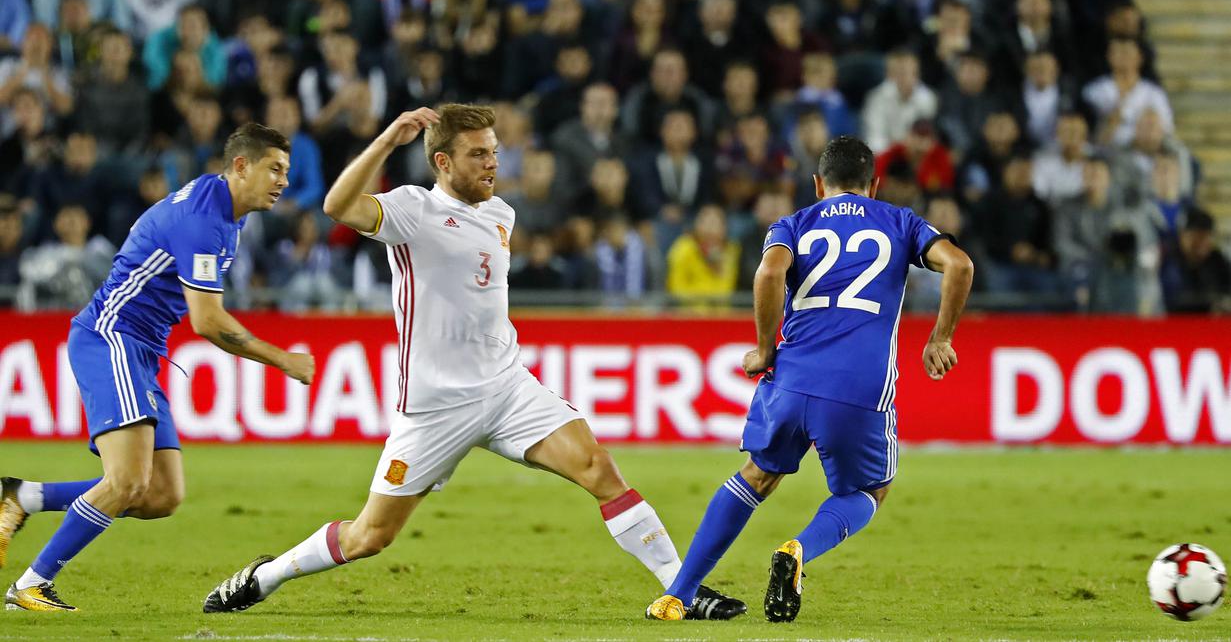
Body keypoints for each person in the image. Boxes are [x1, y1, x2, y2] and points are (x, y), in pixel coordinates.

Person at [201, 105, 744, 620]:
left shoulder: (502, 213)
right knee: (371, 536)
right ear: (443, 162)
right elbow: (337, 207)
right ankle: (266, 576)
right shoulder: (414, 210)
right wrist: (390, 140)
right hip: (435, 406)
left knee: (599, 469)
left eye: (494, 151)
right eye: (478, 154)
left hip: (507, 388)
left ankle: (682, 590)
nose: (493, 163)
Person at [646, 135, 973, 622]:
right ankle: (797, 550)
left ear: (819, 184)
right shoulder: (901, 221)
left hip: (790, 379)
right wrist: (940, 337)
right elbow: (960, 265)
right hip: (859, 388)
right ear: (875, 186)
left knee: (756, 475)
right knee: (867, 492)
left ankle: (678, 593)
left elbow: (768, 272)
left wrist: (763, 347)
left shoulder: (793, 223)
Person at [1, 123, 315, 611]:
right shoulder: (203, 220)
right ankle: (30, 585)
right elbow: (208, 321)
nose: (283, 181)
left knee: (161, 494)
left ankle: (23, 497)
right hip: (113, 339)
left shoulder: (227, 209)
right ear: (240, 166)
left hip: (142, 350)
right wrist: (284, 360)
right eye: (274, 169)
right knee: (125, 481)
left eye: (287, 172)